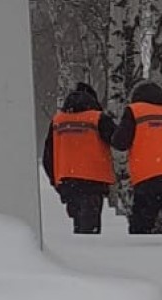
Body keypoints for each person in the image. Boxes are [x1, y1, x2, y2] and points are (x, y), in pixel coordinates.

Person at [111, 81, 162, 234]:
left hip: (148, 179)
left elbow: (120, 142)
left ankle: (140, 257)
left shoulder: (135, 111)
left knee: (141, 227)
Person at [42, 82, 116, 234]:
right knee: (89, 231)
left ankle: (81, 254)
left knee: (80, 227)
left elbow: (47, 157)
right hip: (94, 182)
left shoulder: (58, 121)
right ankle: (88, 256)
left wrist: (56, 183)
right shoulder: (98, 118)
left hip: (69, 182)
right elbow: (119, 141)